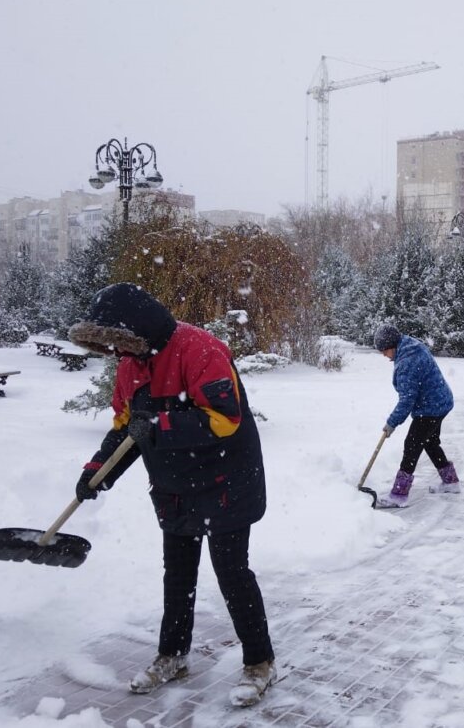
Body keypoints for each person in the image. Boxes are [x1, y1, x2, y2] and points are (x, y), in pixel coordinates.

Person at [68, 283, 276, 708]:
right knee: (177, 575)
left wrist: (160, 425)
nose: (116, 354)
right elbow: (126, 430)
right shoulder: (131, 366)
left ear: (139, 331)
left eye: (120, 343)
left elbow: (225, 419)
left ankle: (260, 662)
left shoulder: (200, 350)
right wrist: (97, 472)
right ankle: (173, 655)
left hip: (226, 482)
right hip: (174, 487)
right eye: (110, 346)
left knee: (232, 574)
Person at [373, 323, 459, 508]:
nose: (383, 355)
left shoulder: (406, 363)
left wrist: (392, 423)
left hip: (430, 408)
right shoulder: (410, 345)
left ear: (392, 345)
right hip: (441, 400)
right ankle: (450, 481)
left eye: (384, 350)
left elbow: (407, 400)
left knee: (412, 446)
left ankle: (399, 494)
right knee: (429, 441)